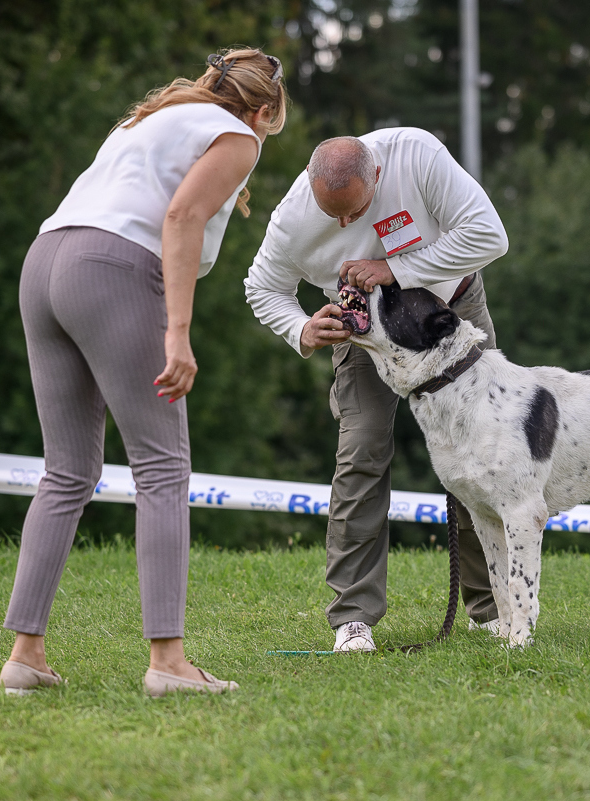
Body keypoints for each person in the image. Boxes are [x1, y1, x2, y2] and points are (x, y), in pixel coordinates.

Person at [0, 48, 286, 696]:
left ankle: (26, 657)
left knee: (66, 471)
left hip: (43, 262)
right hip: (112, 269)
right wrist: (177, 332)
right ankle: (168, 663)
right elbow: (181, 217)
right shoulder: (238, 135)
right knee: (161, 468)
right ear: (264, 110)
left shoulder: (153, 117)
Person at [244, 130, 508, 652]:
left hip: (451, 308)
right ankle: (353, 618)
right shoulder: (292, 219)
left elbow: (489, 236)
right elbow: (262, 287)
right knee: (361, 451)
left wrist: (394, 270)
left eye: (355, 210)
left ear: (379, 176)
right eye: (332, 214)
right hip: (365, 335)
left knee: (483, 450)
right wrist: (301, 328)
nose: (345, 225)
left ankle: (491, 607)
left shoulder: (416, 154)